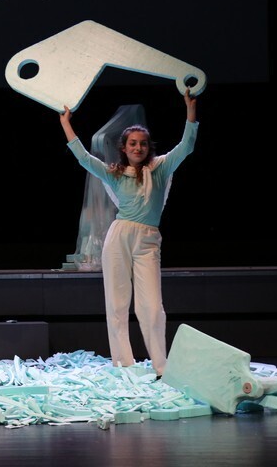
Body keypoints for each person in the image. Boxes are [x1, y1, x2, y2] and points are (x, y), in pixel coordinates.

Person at [59, 89, 197, 377]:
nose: (138, 148)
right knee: (117, 303)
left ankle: (161, 366)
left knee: (152, 307)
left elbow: (186, 145)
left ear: (149, 147)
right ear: (124, 147)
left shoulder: (160, 168)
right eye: (133, 143)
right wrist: (65, 123)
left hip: (148, 240)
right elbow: (84, 158)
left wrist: (190, 109)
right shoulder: (116, 173)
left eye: (143, 143)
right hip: (119, 236)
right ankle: (124, 364)